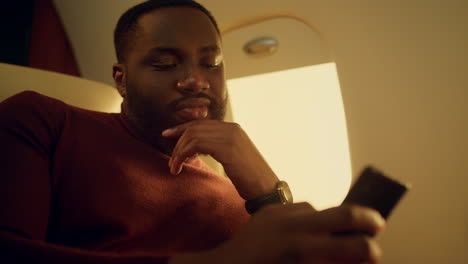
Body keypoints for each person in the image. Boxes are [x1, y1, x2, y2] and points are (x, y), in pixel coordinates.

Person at [0, 0, 386, 263]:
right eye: (166, 64)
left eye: (212, 62)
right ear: (121, 79)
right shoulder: (44, 120)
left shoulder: (237, 184)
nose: (195, 80)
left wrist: (267, 189)